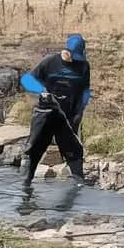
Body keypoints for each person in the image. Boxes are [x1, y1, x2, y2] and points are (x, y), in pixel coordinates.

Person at [21, 32, 91, 189]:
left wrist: (80, 111)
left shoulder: (84, 66)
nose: (77, 60)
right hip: (45, 113)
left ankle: (79, 186)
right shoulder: (49, 63)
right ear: (66, 51)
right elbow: (26, 80)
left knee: (73, 152)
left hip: (68, 116)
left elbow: (85, 90)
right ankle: (26, 186)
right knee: (34, 149)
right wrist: (41, 90)